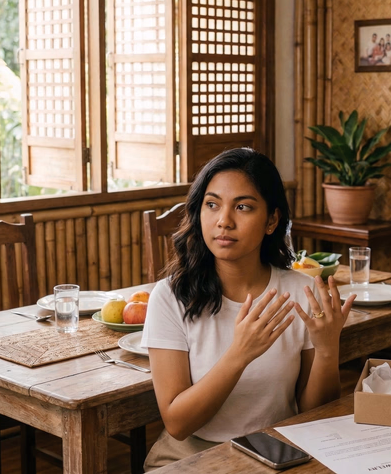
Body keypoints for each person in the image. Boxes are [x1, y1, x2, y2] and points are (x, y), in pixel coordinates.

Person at [142, 148, 355, 470]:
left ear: (271, 220)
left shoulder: (301, 292)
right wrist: (239, 353)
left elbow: (315, 411)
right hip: (191, 454)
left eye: (242, 207)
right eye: (212, 205)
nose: (224, 221)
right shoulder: (170, 297)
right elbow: (178, 423)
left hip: (278, 449)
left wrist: (327, 350)